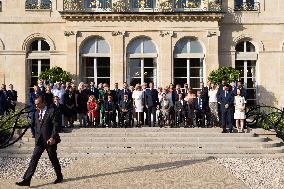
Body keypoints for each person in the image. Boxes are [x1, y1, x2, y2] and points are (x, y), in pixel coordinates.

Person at [16, 96, 63, 187]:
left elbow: (56, 125)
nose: (36, 106)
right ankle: (26, 180)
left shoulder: (52, 111)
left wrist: (53, 137)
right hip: (39, 141)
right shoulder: (36, 113)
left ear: (43, 103)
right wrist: (36, 135)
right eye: (35, 104)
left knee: (53, 159)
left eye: (38, 104)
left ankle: (59, 176)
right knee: (34, 159)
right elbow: (35, 126)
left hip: (50, 141)